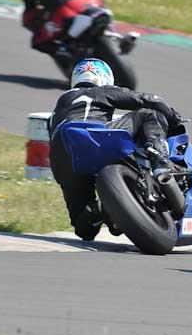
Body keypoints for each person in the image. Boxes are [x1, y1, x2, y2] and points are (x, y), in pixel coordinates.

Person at [47, 58, 183, 241]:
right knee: (149, 113)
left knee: (84, 229)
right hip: (92, 137)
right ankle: (159, 162)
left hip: (62, 161)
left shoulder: (57, 109)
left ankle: (99, 212)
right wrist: (173, 117)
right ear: (104, 78)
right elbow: (147, 100)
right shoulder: (98, 91)